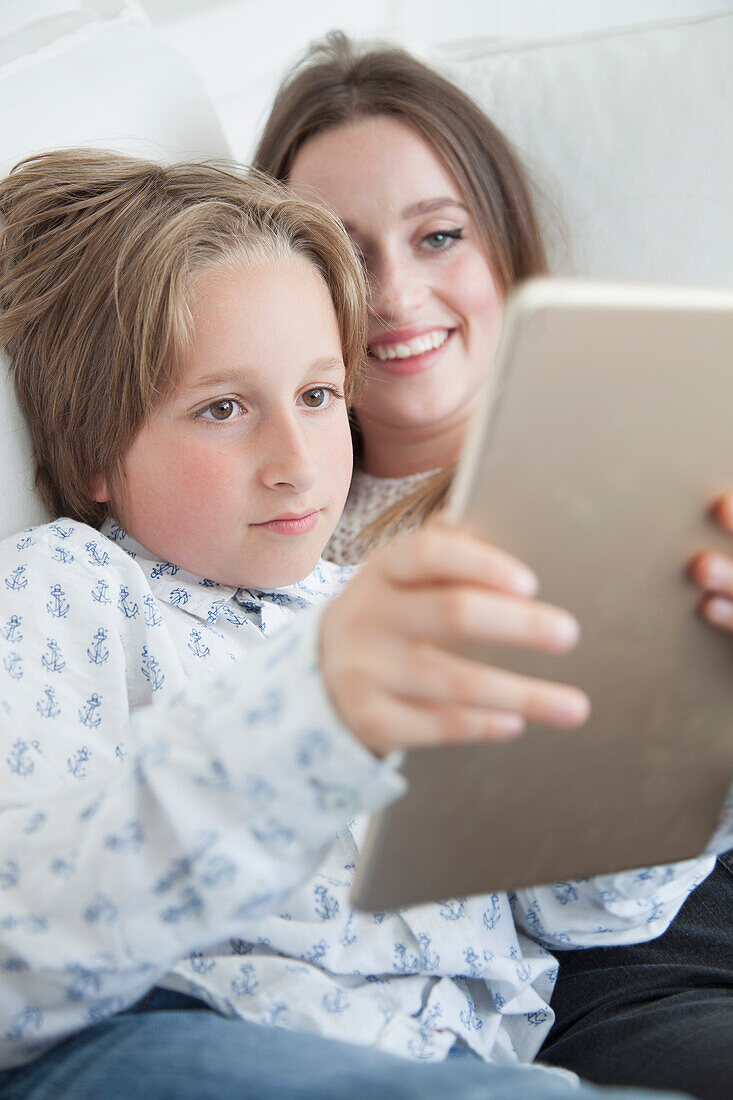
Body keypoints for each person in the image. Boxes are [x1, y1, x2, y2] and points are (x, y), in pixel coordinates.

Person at [0, 148, 712, 1100]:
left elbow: (581, 916)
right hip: (182, 1030)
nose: (295, 460)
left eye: (318, 396)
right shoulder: (68, 581)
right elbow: (22, 951)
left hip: (455, 1060)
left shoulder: (370, 602)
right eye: (222, 408)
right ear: (93, 456)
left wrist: (695, 715)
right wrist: (314, 716)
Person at [254, 32, 733, 1100]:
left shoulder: (666, 438)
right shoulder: (275, 544)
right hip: (624, 960)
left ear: (505, 246)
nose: (393, 293)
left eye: (436, 236)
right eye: (343, 254)